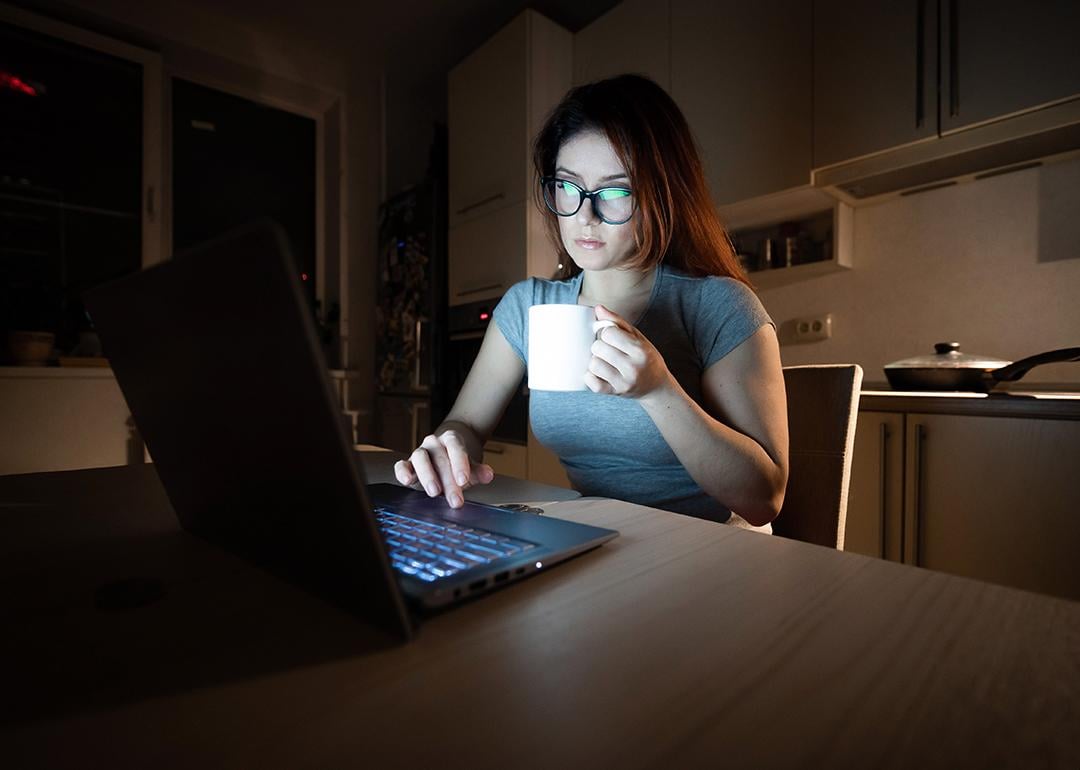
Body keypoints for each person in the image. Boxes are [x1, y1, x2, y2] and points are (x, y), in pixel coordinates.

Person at [394, 74, 788, 530]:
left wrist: (659, 391)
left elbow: (764, 498)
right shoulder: (528, 308)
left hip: (707, 546)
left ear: (664, 194)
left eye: (615, 191)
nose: (584, 215)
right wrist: (447, 449)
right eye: (567, 186)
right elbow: (466, 422)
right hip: (595, 538)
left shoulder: (719, 305)